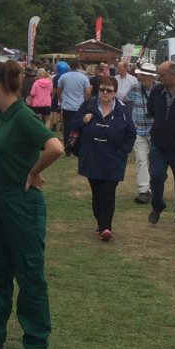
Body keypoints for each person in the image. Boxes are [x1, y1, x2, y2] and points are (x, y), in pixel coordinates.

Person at [0, 60, 64, 349]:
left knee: (29, 274)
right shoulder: (1, 116)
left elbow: (55, 147)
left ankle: (36, 344)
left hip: (22, 203)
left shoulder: (22, 115)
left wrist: (33, 171)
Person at [70, 74, 136, 240]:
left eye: (109, 90)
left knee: (108, 192)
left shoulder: (122, 111)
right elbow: (73, 124)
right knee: (97, 193)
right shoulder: (88, 106)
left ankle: (106, 227)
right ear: (98, 90)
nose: (105, 92)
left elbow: (131, 134)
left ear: (115, 93)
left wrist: (123, 151)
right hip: (92, 156)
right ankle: (101, 223)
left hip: (114, 158)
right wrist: (83, 121)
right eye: (102, 89)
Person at [146, 61, 175, 232]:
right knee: (156, 177)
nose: (158, 77)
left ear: (174, 75)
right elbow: (152, 111)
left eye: (161, 75)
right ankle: (158, 205)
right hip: (159, 146)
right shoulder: (156, 92)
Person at [125, 62, 157, 204]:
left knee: (156, 162)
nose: (140, 77)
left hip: (157, 131)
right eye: (140, 74)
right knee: (140, 160)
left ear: (151, 77)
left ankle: (155, 188)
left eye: (143, 75)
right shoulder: (135, 88)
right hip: (138, 130)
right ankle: (144, 190)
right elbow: (125, 101)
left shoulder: (160, 89)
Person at [56, 63, 91, 157]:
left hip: (67, 105)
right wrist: (84, 102)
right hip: (79, 106)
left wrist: (60, 99)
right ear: (79, 66)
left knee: (67, 127)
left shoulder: (63, 77)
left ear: (69, 67)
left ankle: (67, 149)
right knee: (80, 126)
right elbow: (88, 92)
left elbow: (58, 90)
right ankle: (79, 146)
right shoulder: (84, 78)